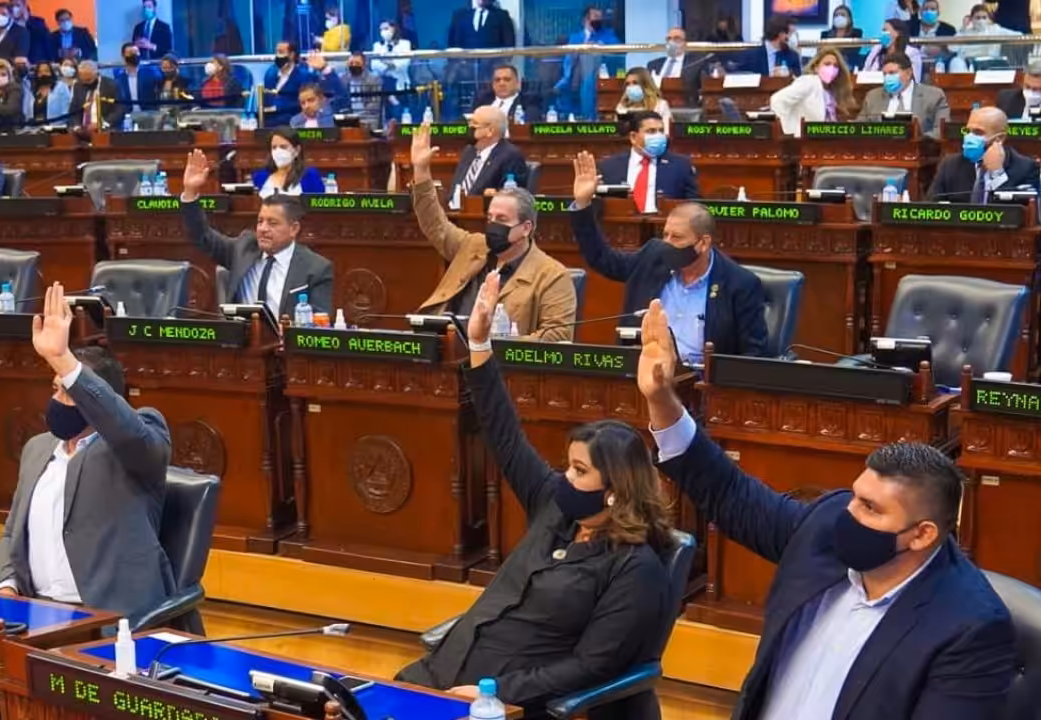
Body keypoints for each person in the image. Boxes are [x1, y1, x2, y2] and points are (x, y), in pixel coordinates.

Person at [635, 298, 1015, 720]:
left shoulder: (969, 627)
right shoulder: (828, 525)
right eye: (855, 495)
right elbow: (730, 493)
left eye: (871, 509)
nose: (850, 515)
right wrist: (662, 400)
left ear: (923, 533)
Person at [395, 270, 672, 717]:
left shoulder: (633, 568)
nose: (564, 477)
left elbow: (591, 665)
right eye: (567, 464)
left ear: (616, 492)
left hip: (505, 703)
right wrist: (480, 344)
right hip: (439, 674)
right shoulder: (555, 507)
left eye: (579, 471)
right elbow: (506, 437)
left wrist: (496, 692)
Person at [0, 284, 174, 619]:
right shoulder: (38, 448)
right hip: (34, 611)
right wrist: (6, 585)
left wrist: (64, 361)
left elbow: (125, 429)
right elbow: (11, 531)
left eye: (69, 392)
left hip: (108, 619)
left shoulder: (138, 440)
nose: (57, 402)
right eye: (55, 390)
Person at [572, 151, 767, 360]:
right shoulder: (653, 257)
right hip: (643, 373)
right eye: (666, 234)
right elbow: (601, 258)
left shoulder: (740, 284)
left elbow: (753, 356)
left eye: (677, 237)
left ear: (703, 243)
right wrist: (583, 204)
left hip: (700, 383)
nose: (667, 243)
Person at [409, 123, 576, 341]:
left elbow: (558, 335)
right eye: (490, 218)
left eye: (502, 219)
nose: (493, 225)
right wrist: (421, 172)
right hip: (446, 347)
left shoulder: (551, 275)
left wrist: (492, 344)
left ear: (526, 228)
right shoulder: (473, 246)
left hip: (499, 364)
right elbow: (435, 225)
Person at [180, 148, 333, 316]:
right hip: (241, 338)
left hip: (284, 340)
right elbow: (203, 236)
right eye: (260, 221)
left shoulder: (316, 268)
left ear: (294, 229)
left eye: (272, 223)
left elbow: (319, 322)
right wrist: (190, 192)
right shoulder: (244, 248)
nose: (263, 229)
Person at [927, 105, 1038, 202]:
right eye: (968, 131)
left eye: (978, 132)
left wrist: (997, 174)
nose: (969, 137)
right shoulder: (950, 165)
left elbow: (1018, 214)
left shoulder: (1026, 168)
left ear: (999, 138)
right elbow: (931, 207)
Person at [596, 112, 698, 212]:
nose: (659, 136)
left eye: (661, 131)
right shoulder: (609, 167)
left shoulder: (681, 165)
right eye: (651, 131)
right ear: (633, 137)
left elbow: (694, 207)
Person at [771, 47, 858, 137]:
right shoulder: (809, 82)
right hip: (805, 142)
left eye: (835, 66)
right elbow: (777, 100)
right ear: (816, 67)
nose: (831, 68)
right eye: (827, 64)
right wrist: (790, 132)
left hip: (826, 140)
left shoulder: (832, 91)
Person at [859, 53, 949, 138]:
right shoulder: (873, 97)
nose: (887, 78)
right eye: (884, 74)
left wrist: (919, 140)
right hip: (880, 150)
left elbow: (941, 130)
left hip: (919, 150)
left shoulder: (934, 96)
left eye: (892, 73)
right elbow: (858, 127)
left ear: (908, 73)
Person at [555, 6, 619, 121]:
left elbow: (617, 49)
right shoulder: (575, 37)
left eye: (600, 17)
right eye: (596, 17)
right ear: (585, 20)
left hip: (599, 76)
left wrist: (601, 46)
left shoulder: (607, 35)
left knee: (590, 64)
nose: (599, 20)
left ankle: (589, 118)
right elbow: (568, 59)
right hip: (574, 76)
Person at [451, 106, 529, 198]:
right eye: (469, 123)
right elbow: (456, 189)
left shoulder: (510, 156)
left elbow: (511, 197)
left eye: (475, 124)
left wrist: (493, 194)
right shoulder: (469, 151)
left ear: (490, 131)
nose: (469, 127)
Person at [252, 127, 325, 198]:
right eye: (274, 147)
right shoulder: (260, 176)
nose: (278, 152)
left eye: (283, 147)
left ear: (297, 150)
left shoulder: (310, 176)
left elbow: (319, 207)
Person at [263, 42, 317, 126]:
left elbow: (305, 102)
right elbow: (266, 98)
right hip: (269, 120)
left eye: (281, 52)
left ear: (291, 55)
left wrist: (279, 107)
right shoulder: (270, 73)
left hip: (290, 121)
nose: (277, 56)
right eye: (276, 52)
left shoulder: (304, 76)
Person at [730, 14, 801, 77]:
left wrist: (788, 74)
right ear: (781, 34)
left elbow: (798, 80)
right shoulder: (751, 56)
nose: (793, 38)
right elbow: (737, 77)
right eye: (791, 34)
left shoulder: (793, 56)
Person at [371, 20, 412, 122]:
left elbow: (404, 63)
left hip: (400, 83)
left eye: (386, 28)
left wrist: (388, 63)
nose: (383, 32)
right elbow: (374, 65)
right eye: (381, 29)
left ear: (394, 29)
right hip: (383, 85)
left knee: (402, 116)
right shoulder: (377, 45)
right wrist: (390, 65)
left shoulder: (405, 44)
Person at [475, 64, 542, 124]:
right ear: (493, 84)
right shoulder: (481, 102)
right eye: (497, 80)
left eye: (507, 79)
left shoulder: (528, 103)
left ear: (517, 83)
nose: (501, 84)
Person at [616, 68, 673, 135]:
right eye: (628, 84)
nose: (631, 87)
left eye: (635, 83)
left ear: (645, 84)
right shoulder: (622, 106)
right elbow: (617, 134)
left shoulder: (661, 105)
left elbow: (667, 133)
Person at [68, 60, 123, 129]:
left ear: (97, 74)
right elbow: (73, 111)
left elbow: (119, 110)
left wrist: (102, 124)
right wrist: (77, 126)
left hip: (105, 129)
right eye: (83, 80)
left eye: (88, 80)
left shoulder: (111, 85)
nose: (86, 83)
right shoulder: (78, 86)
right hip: (83, 130)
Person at [0, 2, 30, 67]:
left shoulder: (21, 32)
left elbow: (19, 58)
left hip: (7, 71)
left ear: (11, 15)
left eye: (4, 14)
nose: (0, 17)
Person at [340, 52, 382, 127]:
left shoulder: (374, 79)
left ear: (364, 65)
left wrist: (359, 115)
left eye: (357, 63)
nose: (354, 65)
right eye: (351, 63)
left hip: (368, 116)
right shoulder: (343, 79)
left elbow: (375, 104)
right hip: (348, 116)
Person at [820, 5, 866, 71]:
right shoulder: (825, 34)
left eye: (843, 15)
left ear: (849, 19)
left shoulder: (857, 33)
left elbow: (854, 51)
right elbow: (822, 52)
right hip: (830, 63)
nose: (839, 17)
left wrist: (834, 50)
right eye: (836, 15)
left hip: (849, 64)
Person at [114, 43, 156, 114]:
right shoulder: (119, 80)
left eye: (136, 52)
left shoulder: (150, 73)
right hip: (127, 117)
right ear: (123, 56)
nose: (134, 55)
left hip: (148, 115)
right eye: (130, 53)